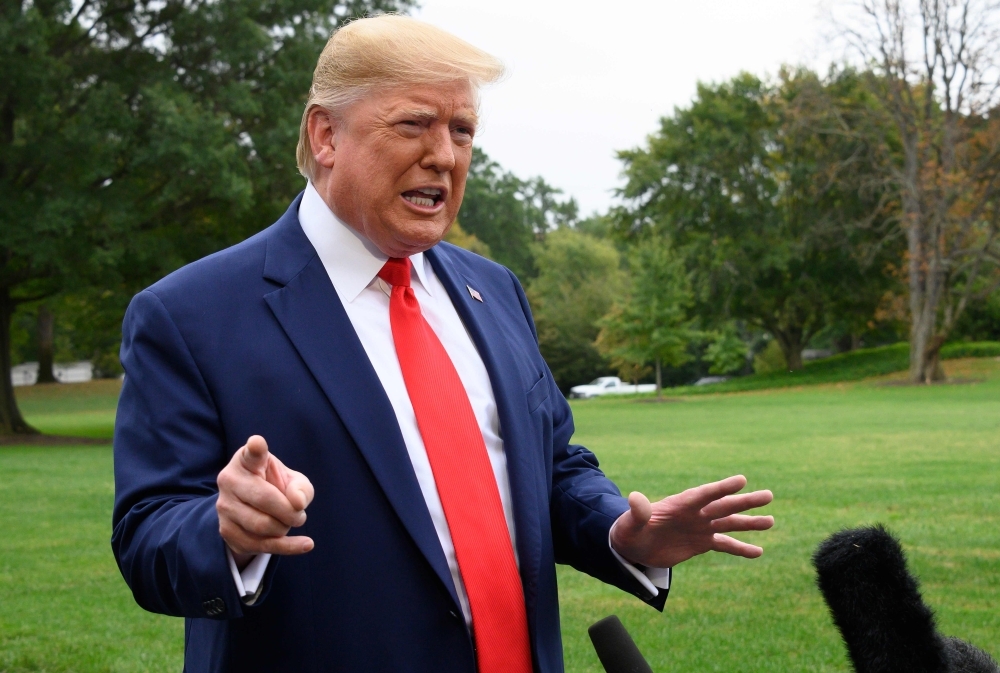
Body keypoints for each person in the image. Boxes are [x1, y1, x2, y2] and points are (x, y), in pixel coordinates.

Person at [111, 15, 773, 673]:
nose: (445, 155)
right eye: (414, 123)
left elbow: (552, 466)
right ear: (325, 134)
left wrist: (619, 529)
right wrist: (225, 529)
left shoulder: (495, 289)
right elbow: (147, 535)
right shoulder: (189, 315)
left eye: (462, 130)